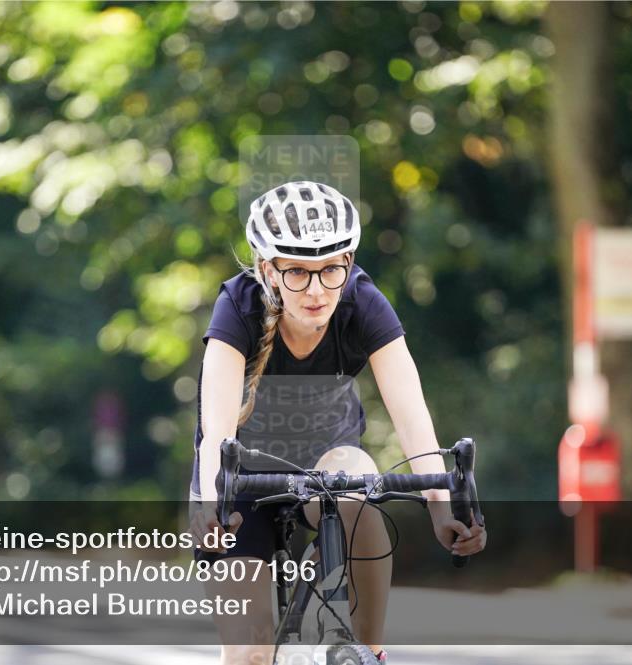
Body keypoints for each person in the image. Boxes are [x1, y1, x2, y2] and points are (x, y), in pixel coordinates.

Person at [189, 180, 487, 665]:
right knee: (247, 654)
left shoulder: (362, 301)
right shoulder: (238, 306)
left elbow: (413, 418)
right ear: (267, 269)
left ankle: (369, 651)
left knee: (356, 480)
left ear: (347, 263)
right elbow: (216, 431)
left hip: (329, 461)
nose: (316, 291)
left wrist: (440, 507)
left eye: (330, 270)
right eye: (298, 274)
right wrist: (209, 506)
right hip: (240, 480)